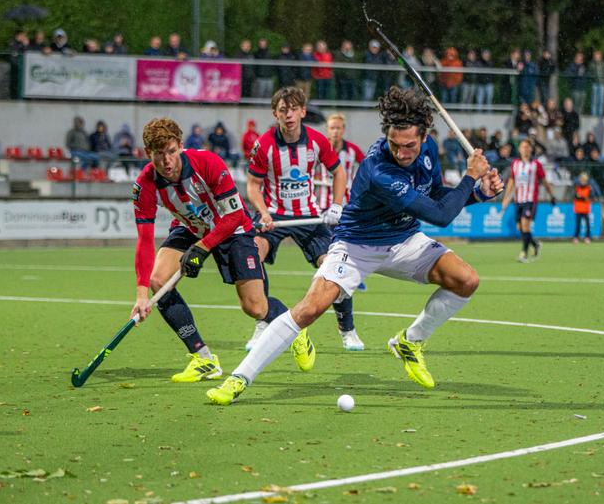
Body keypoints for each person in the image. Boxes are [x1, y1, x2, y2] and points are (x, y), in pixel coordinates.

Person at [206, 87, 503, 405]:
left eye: (410, 145)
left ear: (424, 135)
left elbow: (433, 197)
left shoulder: (428, 149)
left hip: (404, 240)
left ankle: (410, 341)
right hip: (357, 244)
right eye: (395, 144)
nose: (402, 153)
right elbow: (441, 217)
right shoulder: (379, 168)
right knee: (311, 308)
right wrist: (470, 178)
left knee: (466, 280)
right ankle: (239, 378)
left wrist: (477, 193)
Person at [131, 117, 288, 382]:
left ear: (180, 146)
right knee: (159, 280)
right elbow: (145, 241)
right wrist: (141, 293)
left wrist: (202, 249)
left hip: (233, 227)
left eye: (171, 152)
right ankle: (203, 359)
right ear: (149, 154)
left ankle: (291, 325)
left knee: (255, 307)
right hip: (192, 227)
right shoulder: (145, 185)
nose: (167, 162)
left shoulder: (208, 163)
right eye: (159, 155)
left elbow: (234, 216)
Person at [245, 86, 363, 352]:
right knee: (253, 254)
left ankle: (347, 329)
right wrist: (263, 213)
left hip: (309, 214)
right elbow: (253, 185)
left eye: (293, 109)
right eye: (283, 110)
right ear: (275, 113)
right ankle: (264, 321)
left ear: (303, 111)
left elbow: (339, 173)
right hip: (273, 213)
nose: (289, 115)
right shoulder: (263, 144)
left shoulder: (317, 141)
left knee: (334, 265)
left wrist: (335, 205)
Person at [501, 139, 557, 263]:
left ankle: (524, 253)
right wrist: (506, 198)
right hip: (518, 199)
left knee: (525, 224)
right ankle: (535, 244)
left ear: (531, 149)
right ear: (519, 149)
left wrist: (551, 195)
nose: (525, 149)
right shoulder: (515, 164)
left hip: (530, 200)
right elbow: (512, 181)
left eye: (527, 147)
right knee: (520, 227)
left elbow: (544, 181)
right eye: (522, 147)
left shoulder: (536, 164)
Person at [572, 172, 592, 243]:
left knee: (587, 225)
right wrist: (582, 197)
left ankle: (587, 237)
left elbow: (589, 198)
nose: (583, 181)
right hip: (578, 209)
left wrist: (581, 197)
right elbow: (575, 196)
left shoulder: (589, 188)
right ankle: (576, 237)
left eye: (584, 179)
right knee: (578, 225)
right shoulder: (577, 187)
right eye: (581, 179)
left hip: (585, 209)